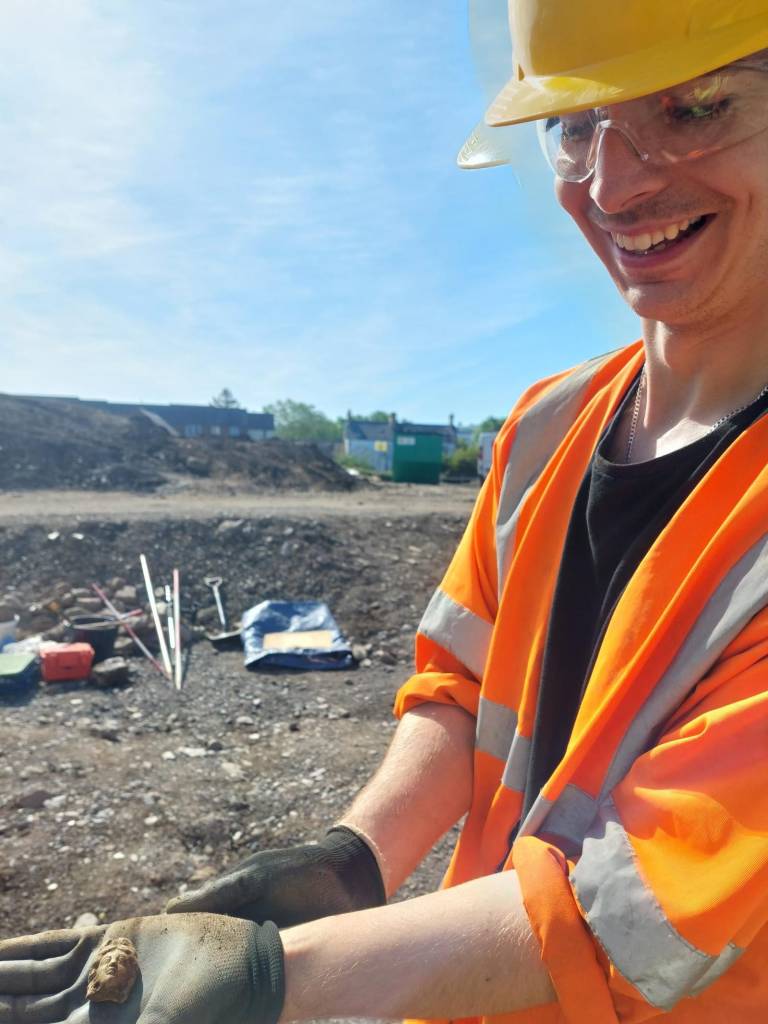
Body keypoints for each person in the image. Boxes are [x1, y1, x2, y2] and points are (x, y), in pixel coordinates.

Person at [3, 0, 768, 1020]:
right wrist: (356, 856)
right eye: (577, 124)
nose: (612, 184)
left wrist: (271, 978)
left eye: (696, 106)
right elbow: (463, 685)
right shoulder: (548, 427)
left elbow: (638, 911)